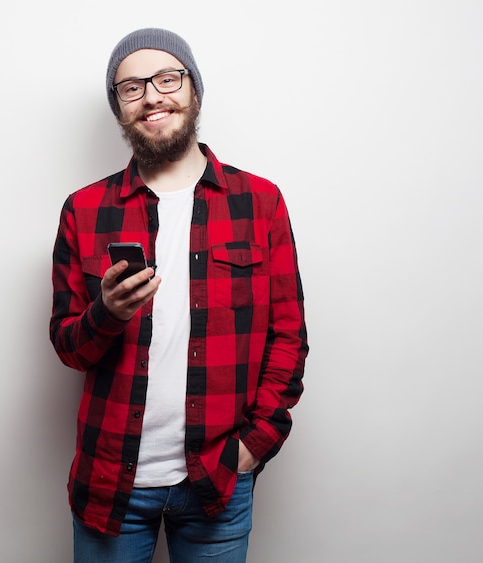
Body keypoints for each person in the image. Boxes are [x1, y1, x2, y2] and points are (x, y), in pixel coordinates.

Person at [50, 27, 308, 563]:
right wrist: (106, 314)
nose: (151, 95)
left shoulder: (260, 202)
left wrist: (252, 447)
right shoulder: (84, 210)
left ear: (193, 90)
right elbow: (69, 346)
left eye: (167, 78)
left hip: (217, 479)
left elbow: (288, 337)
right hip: (110, 484)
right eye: (130, 87)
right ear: (120, 108)